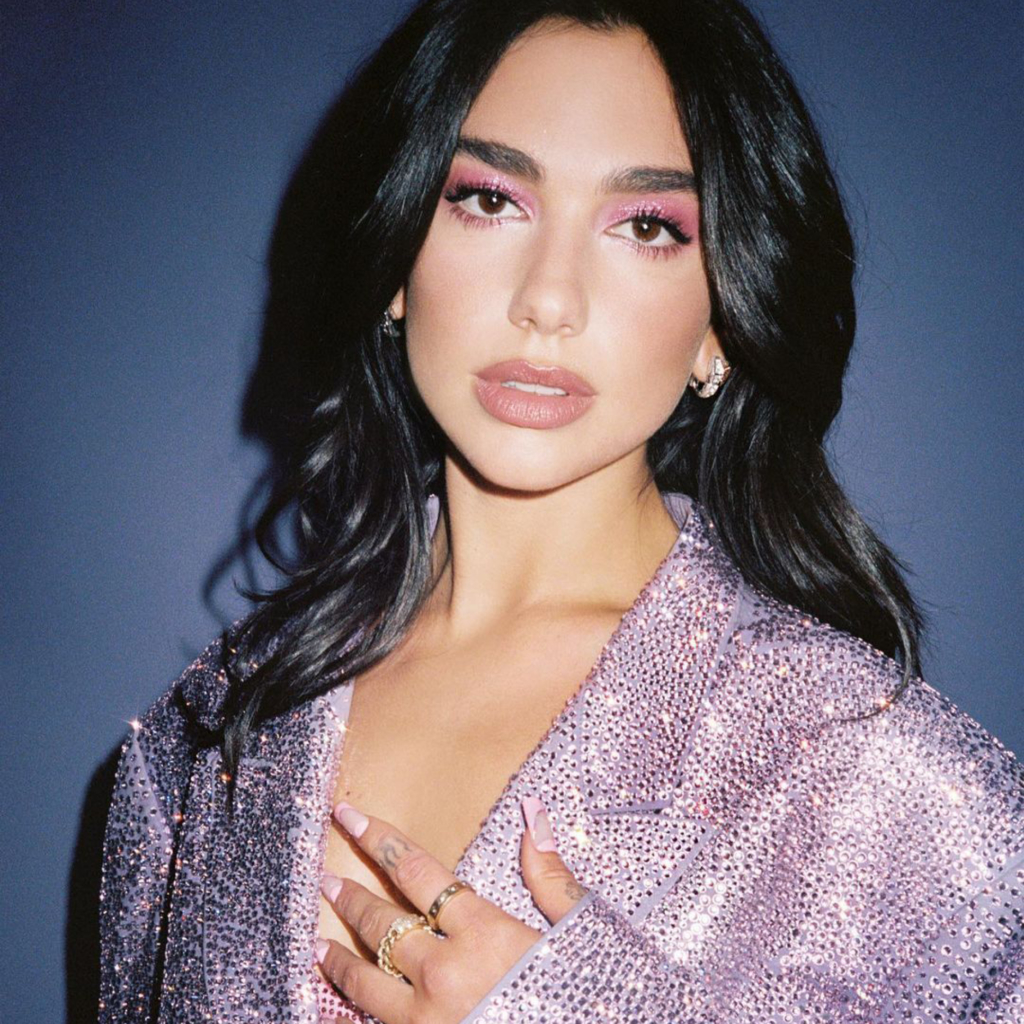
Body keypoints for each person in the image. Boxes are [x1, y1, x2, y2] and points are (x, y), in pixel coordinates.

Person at [97, 1, 1023, 1021]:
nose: (549, 298)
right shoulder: (209, 736)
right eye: (489, 200)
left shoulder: (876, 779)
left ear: (720, 320)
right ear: (398, 260)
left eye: (646, 226)